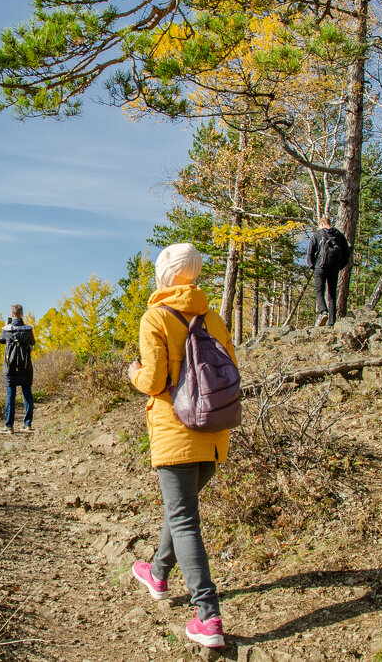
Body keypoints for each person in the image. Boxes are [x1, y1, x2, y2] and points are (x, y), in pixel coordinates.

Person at [127, 243, 235, 649]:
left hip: (176, 432)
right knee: (182, 509)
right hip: (215, 434)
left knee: (185, 517)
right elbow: (231, 368)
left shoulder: (156, 317)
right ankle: (157, 573)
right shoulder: (213, 317)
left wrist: (134, 373)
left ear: (165, 275)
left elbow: (154, 382)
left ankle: (207, 616)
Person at [0, 304, 36, 434]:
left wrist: (7, 325)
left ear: (12, 315)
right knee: (27, 395)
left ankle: (8, 426)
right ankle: (27, 424)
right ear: (22, 314)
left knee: (10, 396)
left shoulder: (6, 329)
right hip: (25, 368)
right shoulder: (28, 330)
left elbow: (1, 340)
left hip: (10, 369)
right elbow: (32, 342)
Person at [305, 217, 350, 327]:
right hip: (334, 268)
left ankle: (323, 311)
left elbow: (310, 252)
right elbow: (346, 253)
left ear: (321, 224)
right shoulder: (339, 235)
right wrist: (340, 266)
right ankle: (331, 322)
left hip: (320, 266)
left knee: (320, 291)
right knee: (332, 295)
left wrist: (312, 266)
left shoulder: (317, 234)